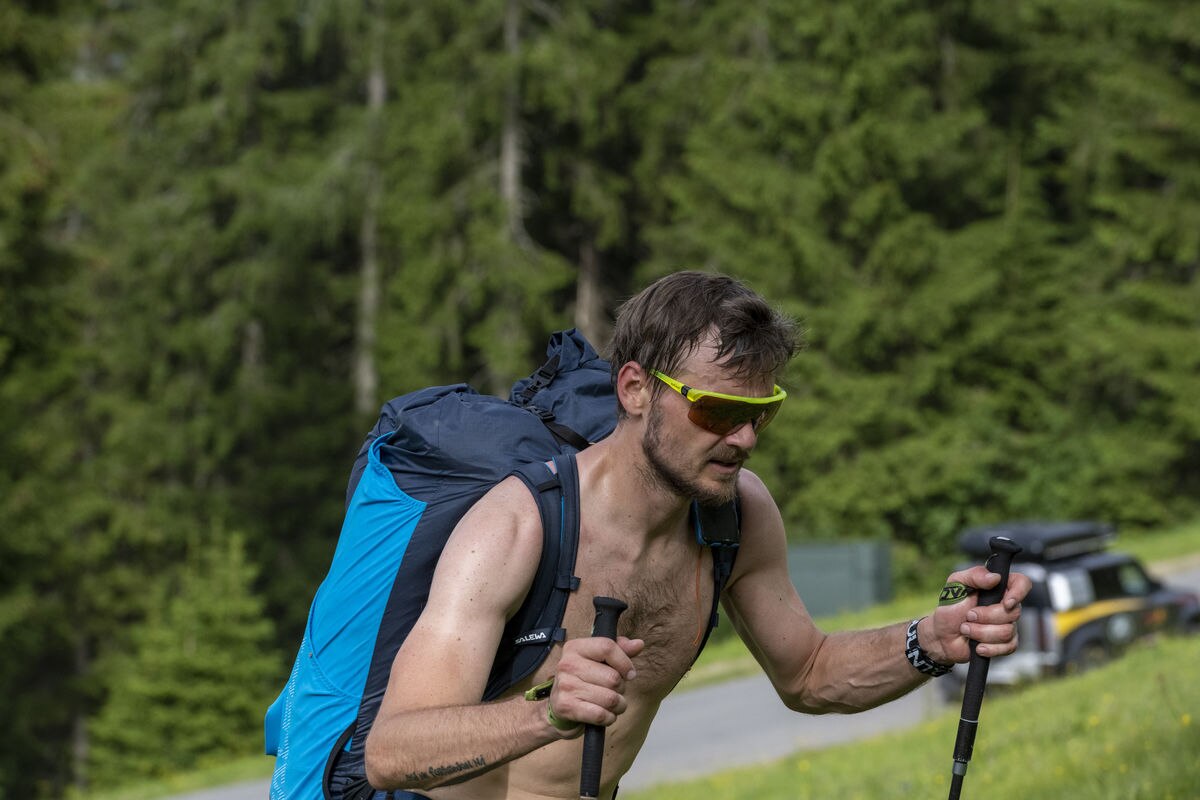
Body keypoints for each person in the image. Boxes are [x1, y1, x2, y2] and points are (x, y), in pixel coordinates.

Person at [362, 271, 1031, 800]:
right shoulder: (516, 527)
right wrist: (546, 714)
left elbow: (809, 673)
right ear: (635, 390)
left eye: (760, 413)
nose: (741, 438)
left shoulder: (735, 517)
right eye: (717, 409)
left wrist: (933, 640)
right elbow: (392, 755)